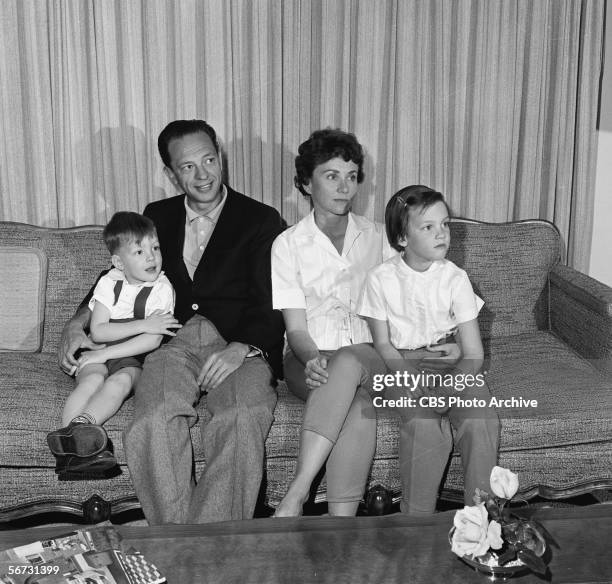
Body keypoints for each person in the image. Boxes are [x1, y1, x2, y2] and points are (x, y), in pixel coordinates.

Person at [58, 119, 285, 524]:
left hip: (238, 345)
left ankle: (208, 549)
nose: (203, 175)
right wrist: (78, 322)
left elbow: (272, 300)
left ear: (220, 157)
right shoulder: (156, 215)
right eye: (188, 167)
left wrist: (241, 348)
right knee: (152, 421)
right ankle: (177, 543)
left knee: (241, 416)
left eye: (210, 160)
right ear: (170, 173)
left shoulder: (261, 219)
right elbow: (112, 278)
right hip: (171, 343)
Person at [270, 129, 459, 517]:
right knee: (354, 405)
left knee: (358, 395)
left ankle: (301, 496)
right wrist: (310, 359)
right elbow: (297, 329)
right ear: (306, 182)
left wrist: (451, 338)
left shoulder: (381, 237)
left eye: (352, 176)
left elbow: (424, 294)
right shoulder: (287, 244)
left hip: (369, 359)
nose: (344, 187)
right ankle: (336, 521)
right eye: (331, 175)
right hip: (310, 356)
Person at [358, 185, 500, 514]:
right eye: (428, 227)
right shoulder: (380, 279)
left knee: (482, 421)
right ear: (402, 238)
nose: (442, 234)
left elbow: (474, 354)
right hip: (399, 364)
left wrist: (452, 388)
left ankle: (481, 522)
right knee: (425, 426)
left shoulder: (456, 278)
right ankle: (415, 522)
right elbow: (382, 343)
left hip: (450, 364)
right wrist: (408, 377)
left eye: (445, 224)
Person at [47, 211, 178, 480]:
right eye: (139, 252)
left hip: (132, 355)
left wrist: (107, 351)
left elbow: (152, 340)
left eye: (154, 248)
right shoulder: (108, 283)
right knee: (91, 380)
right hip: (99, 347)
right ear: (118, 262)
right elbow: (98, 329)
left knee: (120, 383)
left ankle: (80, 428)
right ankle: (70, 446)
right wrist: (143, 324)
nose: (151, 257)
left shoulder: (162, 288)